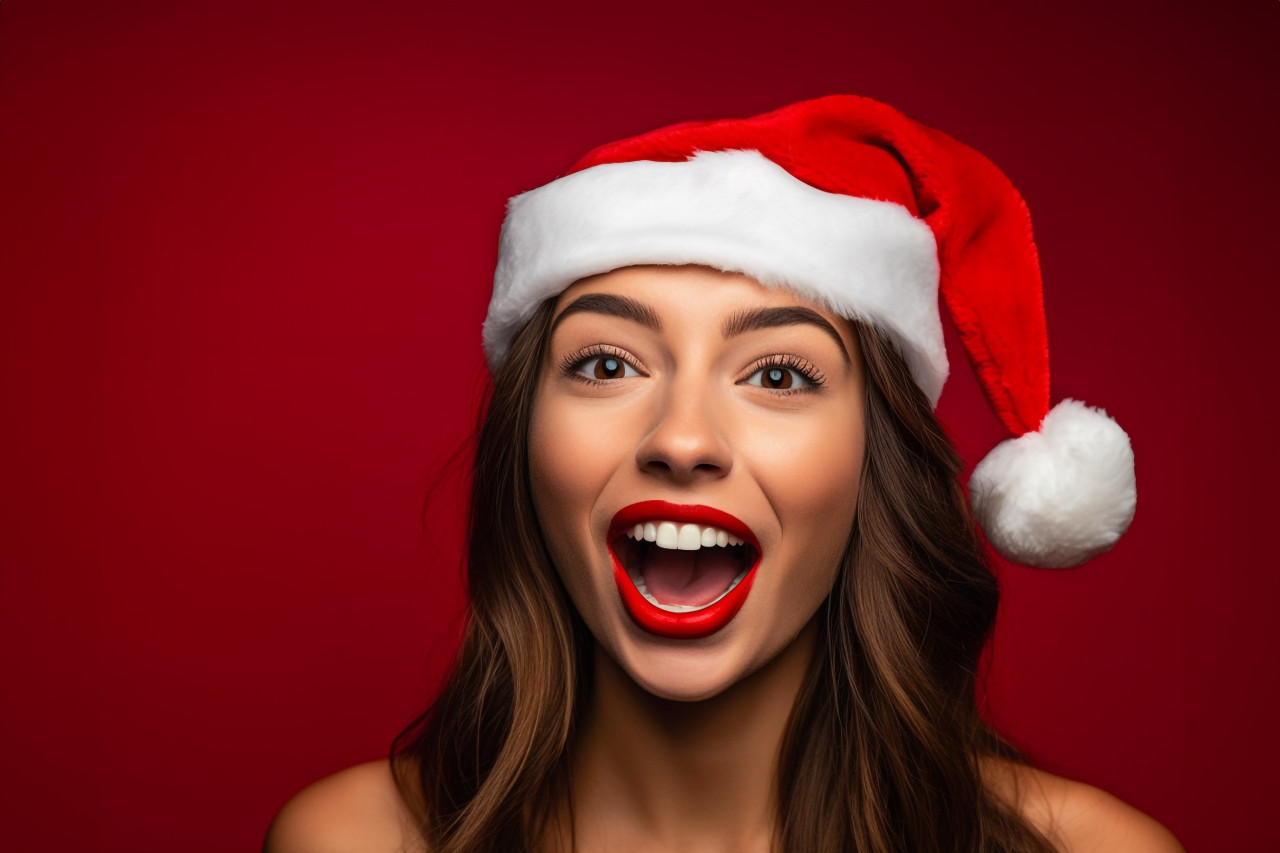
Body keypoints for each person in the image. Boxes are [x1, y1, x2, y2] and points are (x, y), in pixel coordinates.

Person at [264, 96, 1182, 852]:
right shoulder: (350, 841)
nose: (683, 438)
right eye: (608, 364)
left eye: (777, 375)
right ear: (526, 442)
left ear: (876, 461)